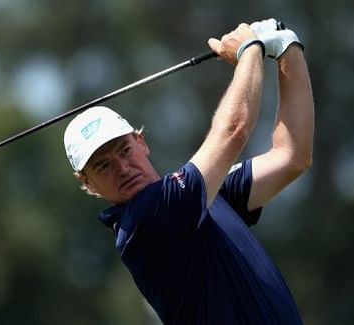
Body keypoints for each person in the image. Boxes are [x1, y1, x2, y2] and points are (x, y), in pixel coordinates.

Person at [63, 18, 314, 324]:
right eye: (103, 165)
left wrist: (288, 48)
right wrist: (250, 49)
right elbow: (233, 130)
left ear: (141, 143)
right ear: (88, 184)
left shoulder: (205, 194)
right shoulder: (144, 220)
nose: (123, 168)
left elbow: (292, 156)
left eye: (124, 150)